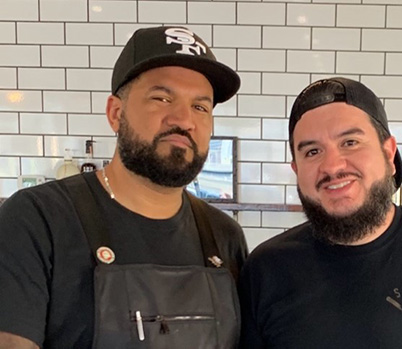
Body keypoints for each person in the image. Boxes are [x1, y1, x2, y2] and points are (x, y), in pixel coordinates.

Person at [0, 26, 248, 348]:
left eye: (200, 107)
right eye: (162, 98)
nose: (184, 119)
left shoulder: (225, 237)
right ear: (116, 113)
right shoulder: (37, 220)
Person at [239, 77, 402, 348]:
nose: (332, 166)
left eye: (350, 142)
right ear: (296, 170)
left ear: (388, 153)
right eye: (312, 151)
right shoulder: (265, 269)